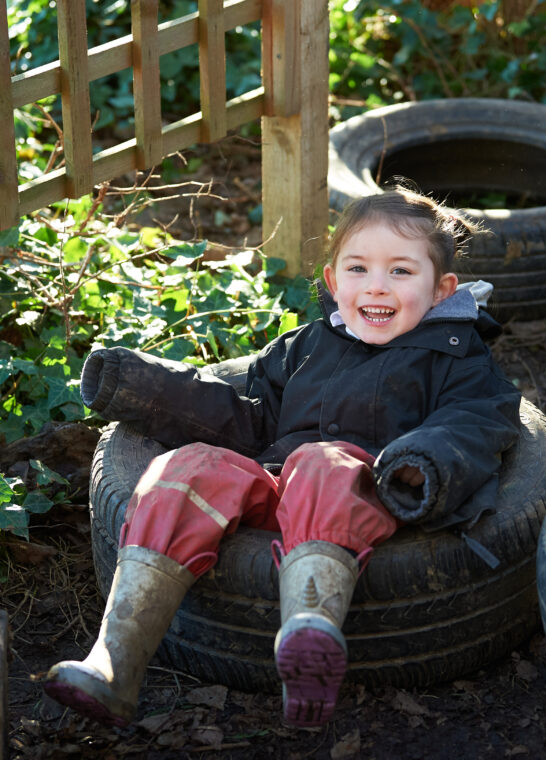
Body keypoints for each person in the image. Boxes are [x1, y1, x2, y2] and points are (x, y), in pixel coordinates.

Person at [42, 186, 521, 730]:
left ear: (441, 290)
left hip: (375, 499)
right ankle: (115, 660)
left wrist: (420, 460)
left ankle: (310, 633)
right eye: (358, 269)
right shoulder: (306, 346)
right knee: (191, 464)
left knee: (323, 461)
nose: (377, 286)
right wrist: (150, 391)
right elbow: (248, 420)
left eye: (401, 273)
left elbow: (477, 420)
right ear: (334, 280)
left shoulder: (458, 359)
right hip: (280, 491)